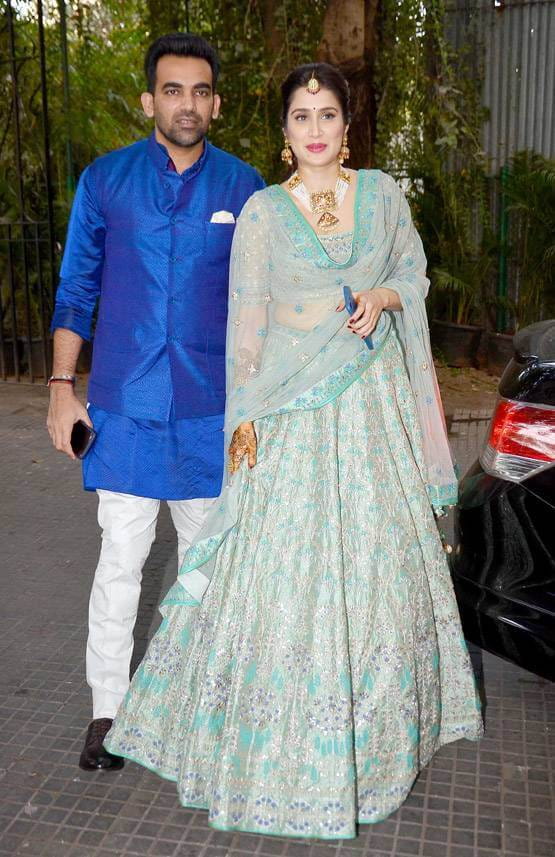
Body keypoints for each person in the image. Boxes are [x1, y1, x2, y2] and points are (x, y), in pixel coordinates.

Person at [105, 63, 483, 837]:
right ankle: (271, 749)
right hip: (289, 415)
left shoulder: (382, 197)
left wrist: (383, 296)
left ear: (348, 127)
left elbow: (410, 273)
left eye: (328, 114)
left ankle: (375, 746)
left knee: (376, 571)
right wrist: (243, 416)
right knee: (281, 573)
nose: (315, 129)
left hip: (370, 413)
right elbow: (247, 321)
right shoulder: (264, 214)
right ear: (283, 135)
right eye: (300, 117)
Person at [47, 32, 264, 772]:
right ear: (149, 100)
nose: (187, 104)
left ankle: (198, 701)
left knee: (209, 565)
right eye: (172, 90)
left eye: (200, 91)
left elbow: (267, 300)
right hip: (125, 407)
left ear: (217, 103)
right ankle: (108, 709)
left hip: (212, 412)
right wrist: (59, 391)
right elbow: (76, 290)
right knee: (122, 562)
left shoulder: (244, 187)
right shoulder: (104, 181)